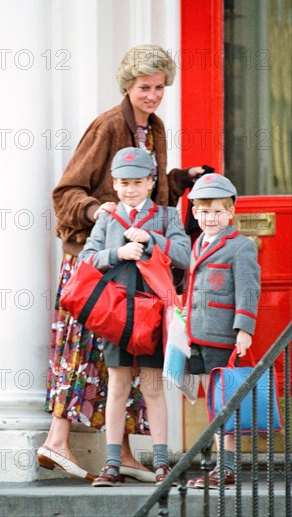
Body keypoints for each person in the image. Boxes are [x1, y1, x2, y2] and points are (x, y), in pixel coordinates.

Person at [38, 44, 204, 482]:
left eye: (160, 87)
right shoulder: (108, 125)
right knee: (85, 355)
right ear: (128, 86)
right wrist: (101, 213)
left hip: (139, 272)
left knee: (122, 363)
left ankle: (126, 456)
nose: (153, 95)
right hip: (96, 263)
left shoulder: (155, 127)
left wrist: (181, 180)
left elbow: (151, 193)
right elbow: (67, 193)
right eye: (144, 87)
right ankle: (57, 441)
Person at [78, 147, 191, 486]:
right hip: (116, 316)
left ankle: (160, 463)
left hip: (154, 314)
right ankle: (111, 464)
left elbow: (184, 256)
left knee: (154, 388)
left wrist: (151, 239)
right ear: (114, 184)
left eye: (138, 182)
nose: (130, 189)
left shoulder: (168, 216)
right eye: (124, 183)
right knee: (118, 386)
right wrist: (117, 253)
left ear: (151, 183)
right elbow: (87, 258)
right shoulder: (108, 218)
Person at [184, 173, 260, 489]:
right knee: (211, 404)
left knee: (223, 403)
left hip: (223, 336)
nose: (209, 218)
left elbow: (248, 289)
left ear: (230, 212)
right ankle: (218, 464)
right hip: (197, 334)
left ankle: (226, 468)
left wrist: (244, 329)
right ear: (194, 213)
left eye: (217, 211)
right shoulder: (199, 242)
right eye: (202, 211)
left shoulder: (240, 246)